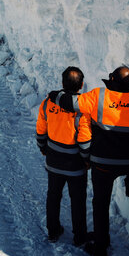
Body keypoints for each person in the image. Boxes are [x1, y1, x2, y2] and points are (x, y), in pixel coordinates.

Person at [49, 66, 129, 256]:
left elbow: (70, 102)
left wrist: (54, 95)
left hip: (103, 164)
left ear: (112, 79)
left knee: (100, 203)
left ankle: (100, 247)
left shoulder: (98, 96)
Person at [36, 67, 90, 246]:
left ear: (62, 83)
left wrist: (44, 148)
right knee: (78, 200)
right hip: (75, 164)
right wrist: (86, 159)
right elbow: (84, 139)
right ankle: (80, 236)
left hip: (53, 160)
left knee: (53, 195)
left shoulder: (47, 103)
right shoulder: (83, 109)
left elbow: (41, 131)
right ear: (81, 85)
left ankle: (53, 230)